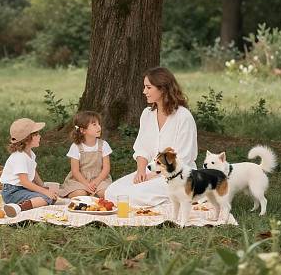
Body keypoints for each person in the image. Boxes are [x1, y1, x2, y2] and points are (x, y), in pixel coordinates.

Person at [105, 67, 197, 207]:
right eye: (144, 87)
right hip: (151, 171)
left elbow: (183, 158)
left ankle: (182, 196)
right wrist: (141, 171)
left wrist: (153, 176)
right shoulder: (147, 114)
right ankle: (167, 199)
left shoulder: (183, 116)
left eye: (148, 87)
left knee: (133, 194)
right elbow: (142, 148)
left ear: (163, 89)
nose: (144, 91)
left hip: (178, 176)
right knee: (111, 191)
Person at [0, 118, 58, 217]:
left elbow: (33, 171)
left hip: (22, 189)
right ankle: (17, 208)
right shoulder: (19, 157)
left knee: (51, 196)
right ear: (27, 139)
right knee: (47, 198)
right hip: (12, 192)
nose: (39, 136)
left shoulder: (30, 154)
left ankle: (27, 203)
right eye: (36, 135)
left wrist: (43, 186)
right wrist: (44, 191)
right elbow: (25, 182)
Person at [59, 111, 112, 199]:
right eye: (94, 124)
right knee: (80, 194)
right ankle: (86, 194)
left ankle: (94, 194)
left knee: (105, 193)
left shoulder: (103, 145)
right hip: (80, 180)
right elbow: (75, 171)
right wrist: (87, 184)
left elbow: (106, 168)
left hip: (99, 178)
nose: (99, 127)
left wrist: (95, 182)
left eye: (99, 124)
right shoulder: (76, 147)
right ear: (83, 130)